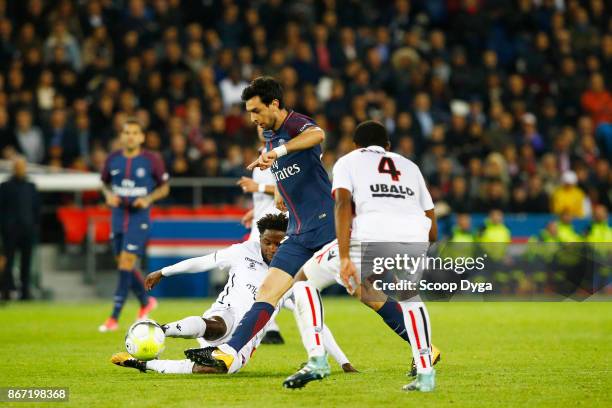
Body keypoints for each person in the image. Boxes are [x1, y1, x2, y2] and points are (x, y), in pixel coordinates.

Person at [184, 77, 335, 385]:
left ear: (274, 104)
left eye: (256, 110)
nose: (252, 118)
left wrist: (277, 154)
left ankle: (422, 350)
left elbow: (318, 134)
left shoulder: (295, 125)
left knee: (367, 292)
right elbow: (285, 187)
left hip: (325, 225)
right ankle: (227, 352)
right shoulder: (269, 138)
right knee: (267, 292)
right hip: (299, 231)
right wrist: (268, 204)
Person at [110, 214, 356, 374]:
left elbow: (314, 321)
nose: (272, 248)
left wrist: (343, 361)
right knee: (217, 325)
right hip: (224, 314)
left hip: (246, 340)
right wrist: (164, 271)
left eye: (278, 243)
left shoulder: (294, 272)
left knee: (219, 371)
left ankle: (143, 364)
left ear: (288, 241)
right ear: (260, 239)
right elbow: (202, 262)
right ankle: (160, 330)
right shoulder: (242, 251)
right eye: (267, 242)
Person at [297, 120, 439, 392]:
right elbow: (432, 227)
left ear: (355, 145)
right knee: (410, 299)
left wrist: (345, 257)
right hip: (414, 237)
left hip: (370, 235)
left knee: (303, 279)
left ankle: (317, 358)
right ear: (388, 146)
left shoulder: (348, 161)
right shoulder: (411, 166)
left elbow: (341, 203)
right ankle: (425, 374)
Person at [98, 118, 170, 332]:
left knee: (125, 264)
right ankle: (146, 302)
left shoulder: (151, 159)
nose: (130, 136)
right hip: (118, 216)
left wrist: (147, 199)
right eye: (126, 132)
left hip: (139, 218)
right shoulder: (112, 159)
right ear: (121, 136)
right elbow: (104, 183)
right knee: (123, 263)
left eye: (134, 133)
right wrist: (109, 195)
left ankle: (114, 317)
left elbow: (164, 188)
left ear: (141, 137)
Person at [237, 128, 285, 345]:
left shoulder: (282, 152)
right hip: (262, 221)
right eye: (256, 124)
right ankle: (269, 327)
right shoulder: (261, 152)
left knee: (262, 275)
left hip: (274, 225)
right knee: (259, 275)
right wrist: (253, 211)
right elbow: (266, 195)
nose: (261, 128)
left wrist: (259, 186)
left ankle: (268, 327)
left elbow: (287, 186)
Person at [0, 157, 39, 300]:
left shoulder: (31, 187)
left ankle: (25, 292)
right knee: (8, 262)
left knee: (26, 263)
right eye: (17, 166)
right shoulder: (5, 186)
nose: (20, 169)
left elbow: (36, 209)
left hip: (27, 231)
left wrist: (34, 227)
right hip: (9, 232)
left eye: (22, 166)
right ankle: (6, 291)